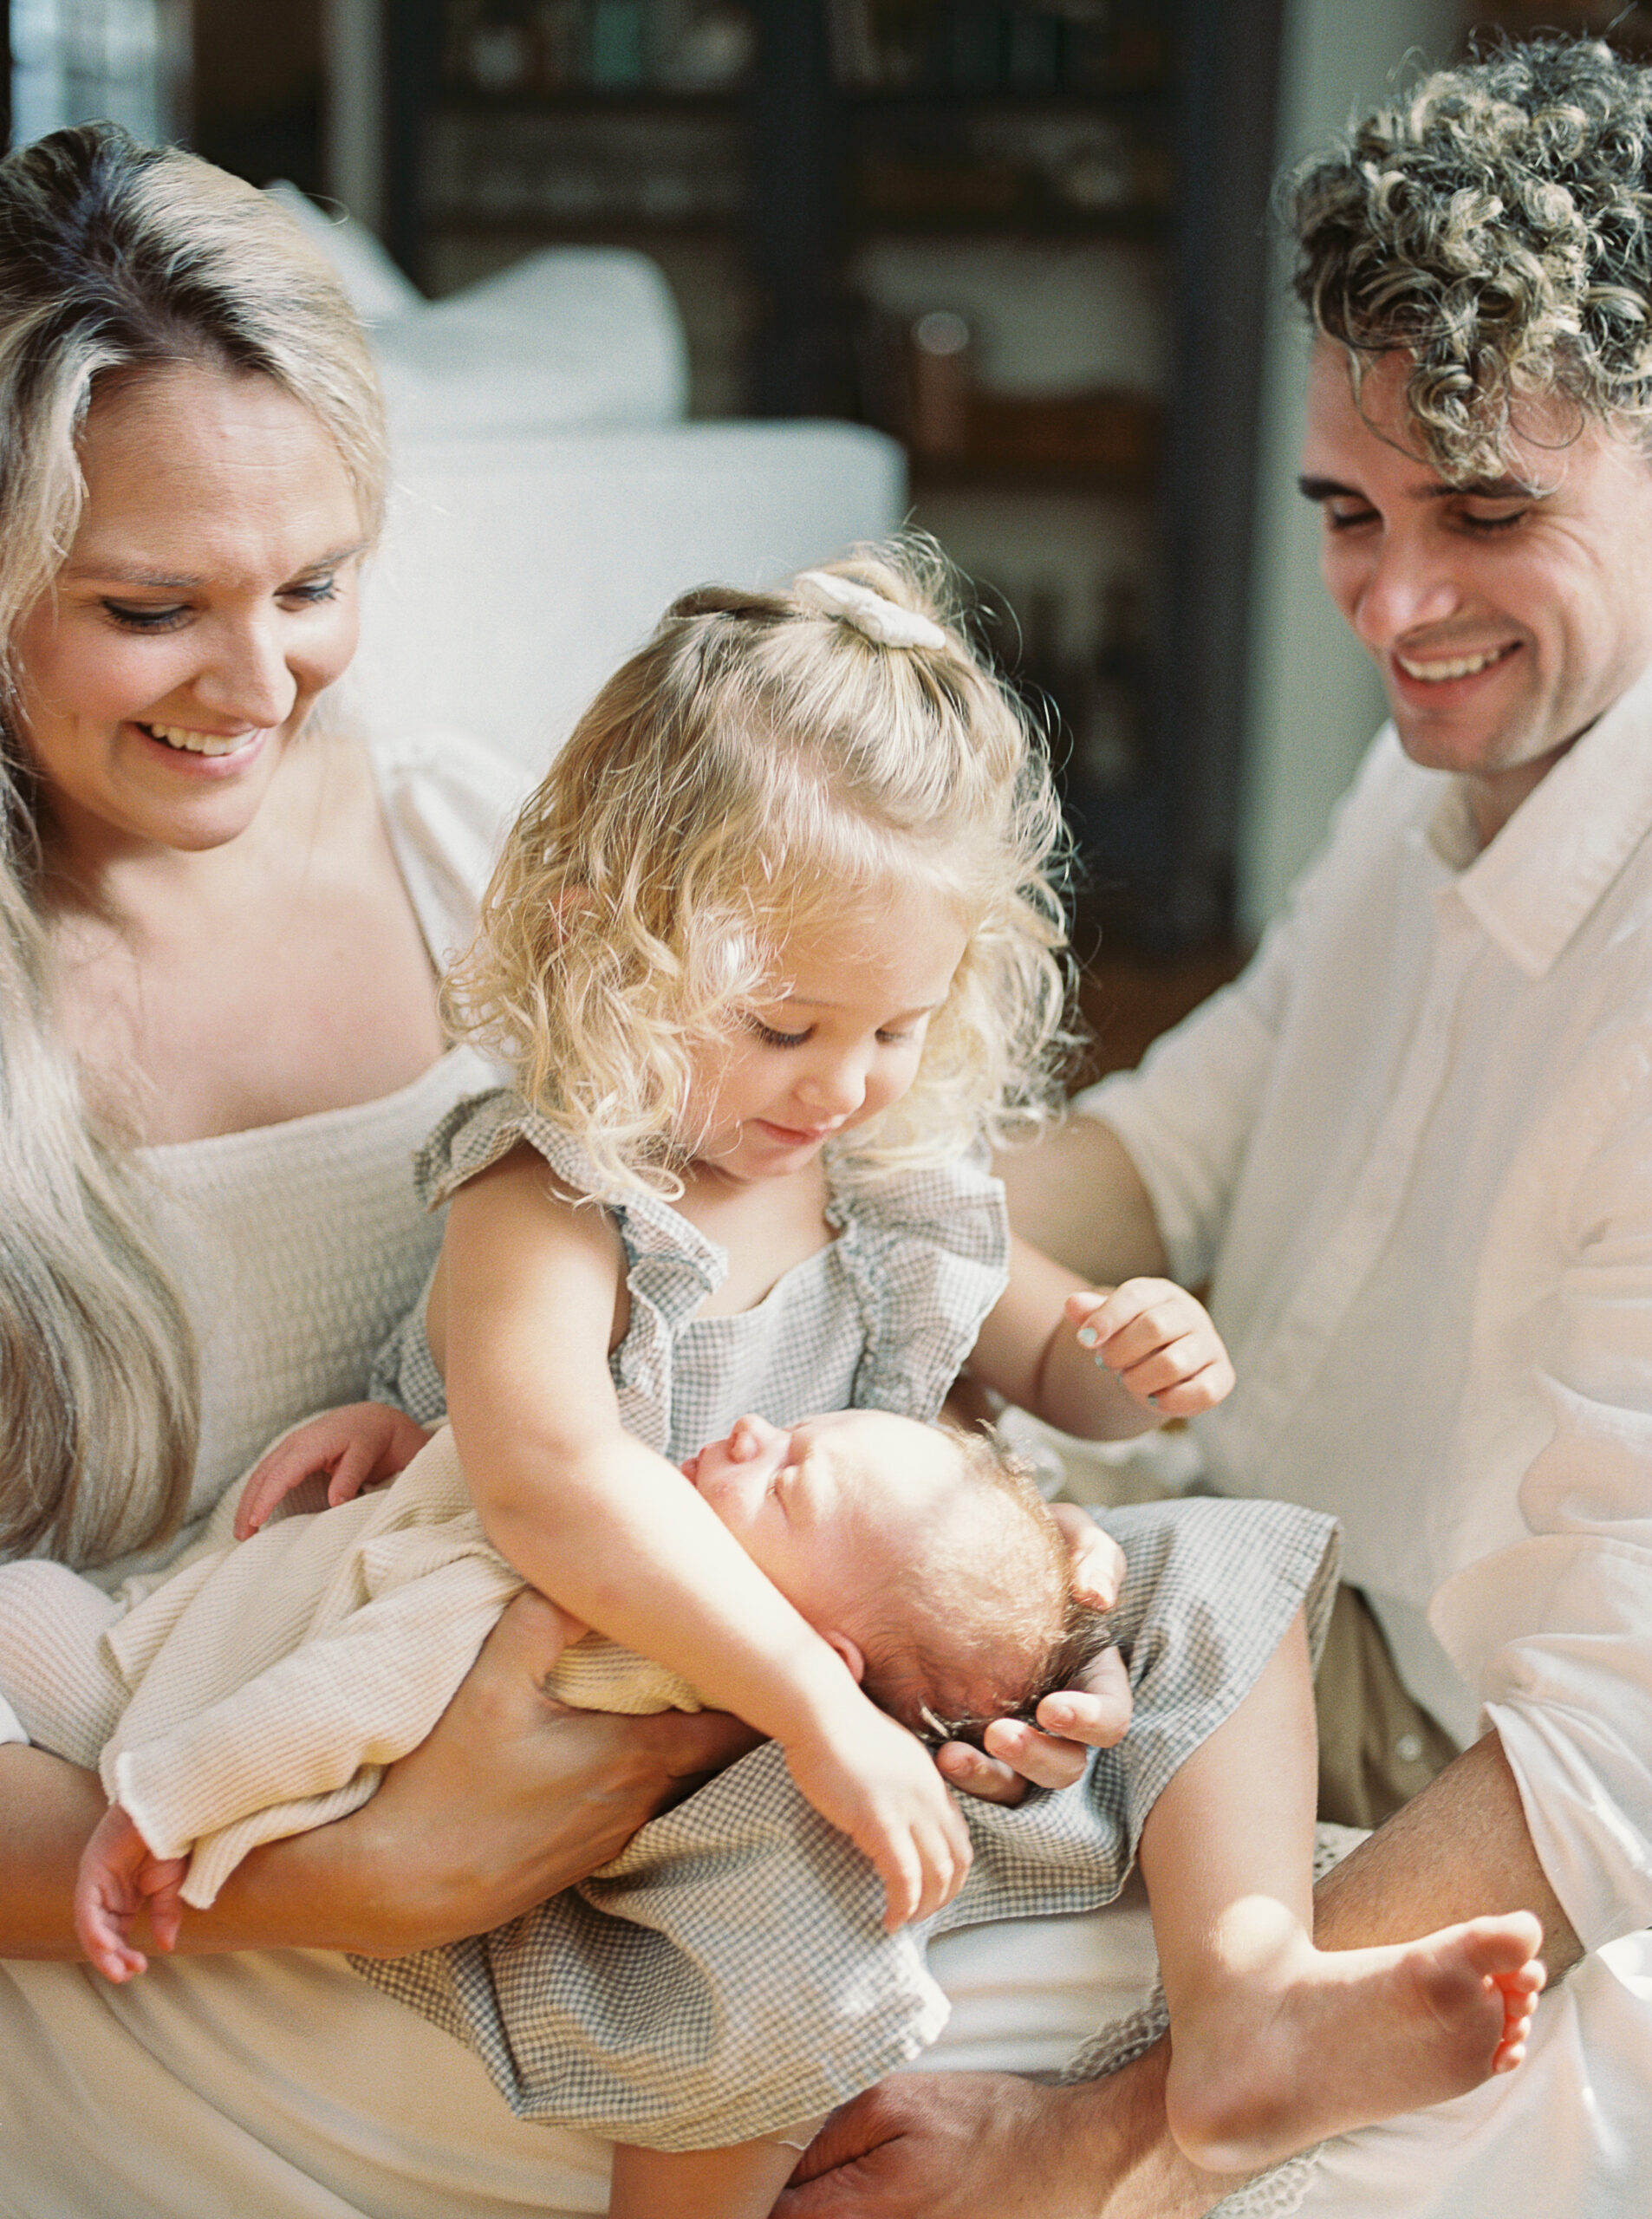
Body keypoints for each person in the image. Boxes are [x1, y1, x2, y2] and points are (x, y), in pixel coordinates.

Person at [777, 36, 1652, 2219]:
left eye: (1484, 511)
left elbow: (1606, 1750)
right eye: (1346, 514)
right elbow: (1171, 1140)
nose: (1389, 607)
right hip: (1220, 1596)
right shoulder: (1432, 776)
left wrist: (1084, 2127)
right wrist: (815, 1195)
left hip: (1430, 1764)